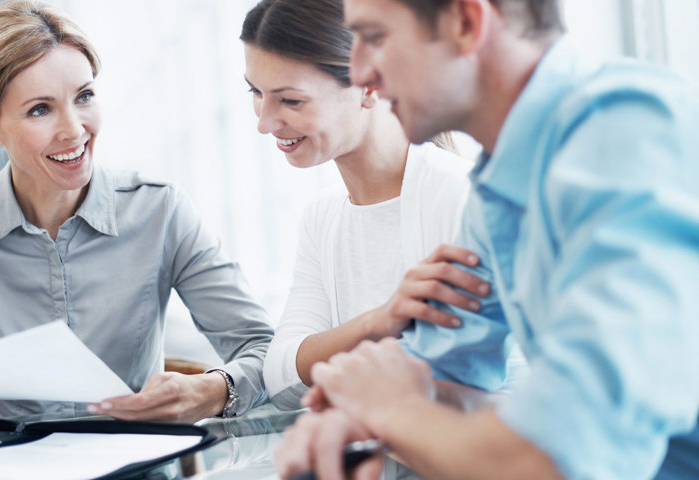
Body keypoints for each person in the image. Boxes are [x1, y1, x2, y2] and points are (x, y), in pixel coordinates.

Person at [275, 0, 699, 479]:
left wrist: (395, 414)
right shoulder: (496, 190)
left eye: (374, 37)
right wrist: (359, 410)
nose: (360, 74)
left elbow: (564, 457)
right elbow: (441, 374)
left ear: (465, 22)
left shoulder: (625, 131)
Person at [0, 0, 273, 427]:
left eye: (84, 96)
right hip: (11, 468)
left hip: (137, 467)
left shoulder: (161, 210)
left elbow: (264, 350)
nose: (74, 129)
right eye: (40, 109)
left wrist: (214, 388)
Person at [242, 0, 521, 411]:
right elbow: (283, 378)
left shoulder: (460, 199)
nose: (264, 122)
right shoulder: (323, 217)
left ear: (370, 86)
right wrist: (381, 320)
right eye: (256, 92)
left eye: (291, 101)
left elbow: (507, 387)